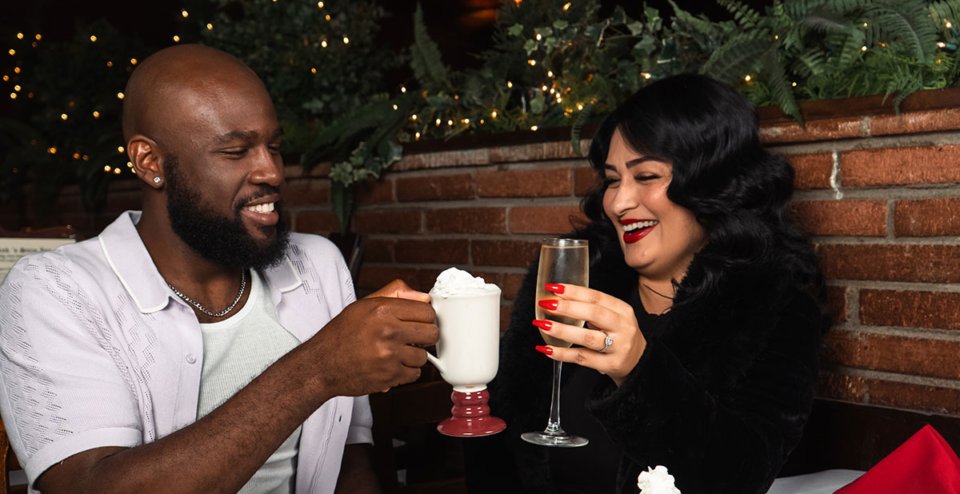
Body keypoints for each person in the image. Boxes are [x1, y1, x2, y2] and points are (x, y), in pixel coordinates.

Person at [0, 44, 438, 494]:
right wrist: (317, 370)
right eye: (235, 151)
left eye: (275, 146)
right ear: (150, 162)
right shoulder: (54, 290)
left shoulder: (318, 264)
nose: (271, 171)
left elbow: (347, 454)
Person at [466, 74, 829, 494]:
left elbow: (739, 474)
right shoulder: (579, 279)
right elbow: (500, 442)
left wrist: (639, 370)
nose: (619, 202)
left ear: (711, 181)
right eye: (613, 179)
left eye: (646, 176)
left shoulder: (773, 308)